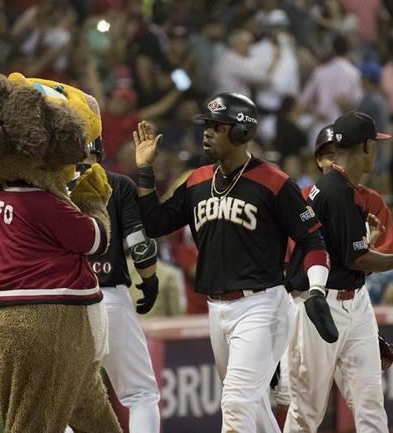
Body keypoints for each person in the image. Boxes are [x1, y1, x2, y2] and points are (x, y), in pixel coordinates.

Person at [132, 92, 337, 433]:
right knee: (253, 405)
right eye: (207, 125)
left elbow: (312, 239)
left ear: (241, 132)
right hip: (217, 309)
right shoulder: (197, 181)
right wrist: (145, 171)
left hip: (261, 305)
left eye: (217, 126)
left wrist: (316, 288)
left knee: (236, 403)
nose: (207, 132)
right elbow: (155, 224)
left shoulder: (274, 182)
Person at [283, 112, 393, 433]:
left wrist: (367, 245)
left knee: (370, 401)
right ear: (364, 146)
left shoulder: (341, 189)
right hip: (318, 306)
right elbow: (358, 258)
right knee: (307, 413)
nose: (377, 150)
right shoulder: (335, 190)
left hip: (354, 301)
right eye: (374, 144)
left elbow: (350, 254)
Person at [72, 138, 162, 433]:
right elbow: (138, 244)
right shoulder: (118, 184)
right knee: (141, 394)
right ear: (100, 149)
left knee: (58, 404)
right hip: (110, 297)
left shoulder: (49, 185)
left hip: (62, 301)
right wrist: (149, 281)